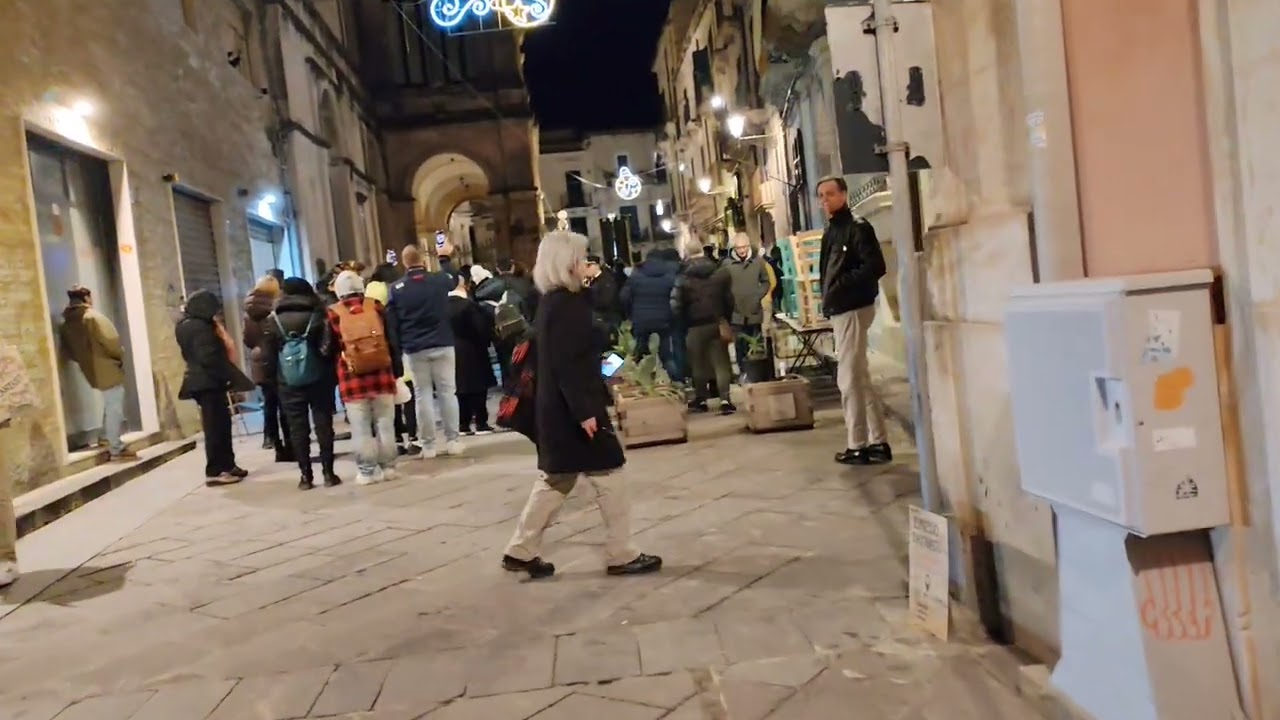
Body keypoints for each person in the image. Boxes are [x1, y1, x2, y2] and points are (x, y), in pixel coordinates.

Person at [502, 230, 662, 580]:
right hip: (573, 410)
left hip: (558, 409)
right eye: (583, 258)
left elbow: (582, 356)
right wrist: (585, 412)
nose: (587, 263)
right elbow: (568, 366)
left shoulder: (555, 302)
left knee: (557, 478)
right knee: (611, 473)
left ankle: (521, 550)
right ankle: (621, 553)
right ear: (568, 263)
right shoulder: (566, 306)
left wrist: (609, 370)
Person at [816, 176, 891, 466]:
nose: (825, 200)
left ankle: (857, 444)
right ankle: (878, 440)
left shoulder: (857, 227)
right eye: (821, 195)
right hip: (842, 307)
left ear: (844, 195)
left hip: (852, 307)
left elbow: (875, 266)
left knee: (847, 377)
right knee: (859, 376)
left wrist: (841, 286)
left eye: (830, 194)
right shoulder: (834, 229)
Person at [386, 243, 465, 459]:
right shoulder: (438, 280)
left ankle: (428, 445)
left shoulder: (396, 289)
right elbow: (454, 278)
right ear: (422, 259)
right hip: (443, 342)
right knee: (448, 393)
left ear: (404, 263)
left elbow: (392, 322)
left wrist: (397, 349)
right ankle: (453, 440)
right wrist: (444, 258)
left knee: (423, 396)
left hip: (415, 348)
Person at [262, 277, 340, 489]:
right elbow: (329, 347)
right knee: (323, 424)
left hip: (288, 380)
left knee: (297, 428)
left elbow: (268, 355)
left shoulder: (274, 319)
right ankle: (329, 473)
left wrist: (273, 380)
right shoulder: (319, 313)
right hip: (320, 378)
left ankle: (306, 476)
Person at [329, 271, 402, 485]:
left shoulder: (333, 313)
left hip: (352, 379)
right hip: (382, 375)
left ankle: (368, 471)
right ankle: (389, 468)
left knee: (360, 428)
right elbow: (392, 339)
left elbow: (330, 347)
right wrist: (396, 370)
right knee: (385, 424)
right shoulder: (376, 307)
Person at [176, 290, 248, 485]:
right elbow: (208, 356)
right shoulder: (200, 328)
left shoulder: (185, 325)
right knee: (215, 427)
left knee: (221, 424)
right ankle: (216, 470)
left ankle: (228, 464)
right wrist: (226, 375)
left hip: (203, 381)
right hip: (208, 382)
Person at [58, 285, 136, 462]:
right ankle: (116, 448)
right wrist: (119, 355)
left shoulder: (67, 323)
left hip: (89, 369)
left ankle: (105, 437)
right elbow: (111, 341)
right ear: (86, 298)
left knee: (110, 402)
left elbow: (68, 351)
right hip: (106, 366)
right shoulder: (93, 317)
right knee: (115, 405)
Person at [672, 239, 736, 414]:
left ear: (687, 253)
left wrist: (682, 323)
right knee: (721, 362)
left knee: (698, 363)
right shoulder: (719, 273)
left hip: (694, 326)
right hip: (716, 323)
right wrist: (725, 318)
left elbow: (676, 305)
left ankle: (701, 399)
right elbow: (729, 300)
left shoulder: (683, 277)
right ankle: (725, 399)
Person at [367, 263, 419, 453]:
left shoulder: (368, 299)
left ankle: (396, 439)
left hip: (380, 351)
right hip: (402, 349)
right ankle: (413, 437)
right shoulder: (395, 292)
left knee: (390, 397)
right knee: (409, 396)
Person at [242, 273, 292, 461]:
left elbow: (247, 340)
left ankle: (272, 440)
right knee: (285, 403)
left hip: (260, 360)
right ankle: (289, 444)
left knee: (269, 403)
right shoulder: (277, 308)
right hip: (278, 358)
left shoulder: (248, 311)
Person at [448, 274, 497, 435]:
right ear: (463, 286)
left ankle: (463, 424)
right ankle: (481, 422)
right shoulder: (469, 306)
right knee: (478, 387)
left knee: (459, 388)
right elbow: (481, 329)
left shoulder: (440, 307)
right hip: (473, 350)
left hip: (451, 351)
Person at [620, 248, 680, 378]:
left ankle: (642, 381)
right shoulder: (669, 276)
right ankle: (677, 380)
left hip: (641, 321)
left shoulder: (636, 275)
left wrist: (630, 314)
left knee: (639, 354)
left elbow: (624, 297)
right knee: (667, 356)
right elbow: (676, 297)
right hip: (664, 321)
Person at [722, 233, 772, 375]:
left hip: (754, 310)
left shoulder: (758, 262)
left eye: (744, 247)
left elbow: (766, 281)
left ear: (749, 246)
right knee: (740, 345)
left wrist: (757, 296)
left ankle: (758, 374)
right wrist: (729, 299)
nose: (742, 250)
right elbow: (722, 285)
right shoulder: (727, 265)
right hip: (736, 312)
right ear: (734, 248)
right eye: (739, 248)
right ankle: (743, 373)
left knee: (756, 343)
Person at [583, 255, 622, 350]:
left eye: (588, 266)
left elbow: (607, 300)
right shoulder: (591, 281)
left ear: (596, 266)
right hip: (597, 322)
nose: (586, 269)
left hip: (607, 320)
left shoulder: (606, 280)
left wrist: (588, 297)